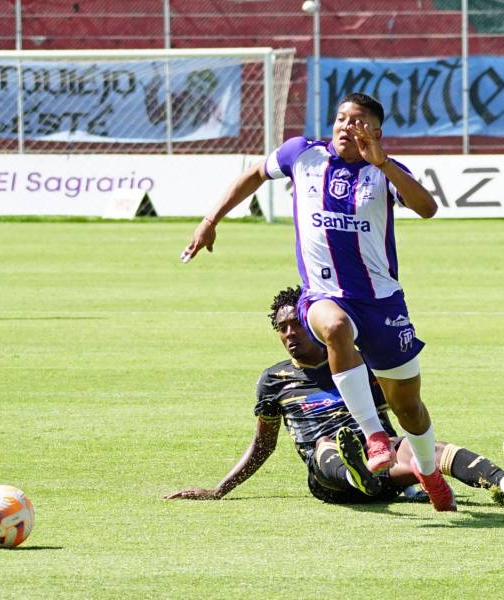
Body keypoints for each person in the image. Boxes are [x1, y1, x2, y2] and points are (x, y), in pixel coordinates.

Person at [182, 92, 456, 511]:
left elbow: (428, 208)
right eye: (342, 118)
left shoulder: (384, 172)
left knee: (409, 409)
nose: (348, 125)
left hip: (383, 304)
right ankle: (374, 437)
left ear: (376, 132)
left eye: (359, 120)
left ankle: (429, 474)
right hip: (323, 296)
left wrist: (382, 161)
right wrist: (210, 220)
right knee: (334, 328)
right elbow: (255, 174)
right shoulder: (302, 154)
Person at [165, 286, 504, 509]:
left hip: (384, 466)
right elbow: (263, 445)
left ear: (315, 323)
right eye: (283, 328)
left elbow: (403, 403)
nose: (291, 333)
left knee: (418, 448)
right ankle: (355, 473)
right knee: (328, 444)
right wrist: (219, 489)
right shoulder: (275, 379)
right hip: (327, 478)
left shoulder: (357, 361)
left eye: (298, 323)